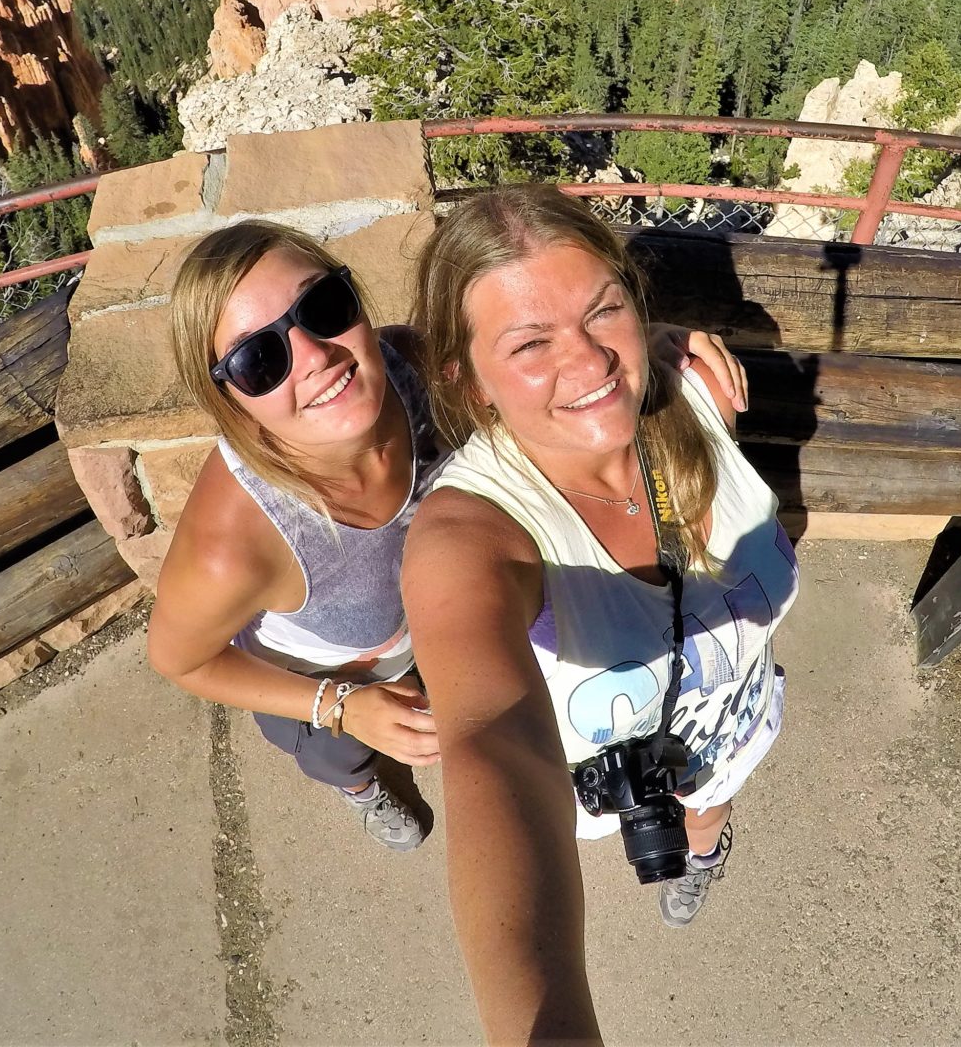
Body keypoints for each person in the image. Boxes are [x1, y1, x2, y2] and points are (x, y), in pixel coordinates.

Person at [149, 218, 747, 854]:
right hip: (334, 679)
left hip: (434, 634)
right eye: (259, 360)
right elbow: (180, 658)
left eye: (322, 307)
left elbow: (514, 369)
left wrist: (637, 350)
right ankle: (362, 789)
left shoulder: (409, 366)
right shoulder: (236, 542)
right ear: (227, 399)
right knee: (344, 757)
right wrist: (342, 707)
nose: (317, 357)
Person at [403, 187, 798, 1042]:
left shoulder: (692, 392)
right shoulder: (469, 535)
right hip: (601, 787)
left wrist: (655, 355)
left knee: (711, 805)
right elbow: (492, 743)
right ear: (467, 379)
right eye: (531, 343)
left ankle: (701, 852)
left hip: (737, 725)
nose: (587, 365)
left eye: (602, 312)